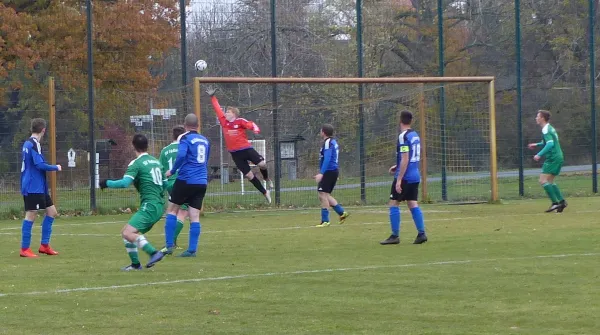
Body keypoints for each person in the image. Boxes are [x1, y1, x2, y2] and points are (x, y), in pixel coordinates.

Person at [99, 134, 165, 270]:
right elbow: (165, 185)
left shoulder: (136, 163)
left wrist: (106, 182)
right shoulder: (156, 162)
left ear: (133, 146)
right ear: (147, 145)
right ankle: (135, 265)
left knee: (127, 233)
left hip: (150, 205)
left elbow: (124, 183)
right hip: (159, 205)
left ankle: (153, 252)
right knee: (127, 232)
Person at [206, 87, 272, 203]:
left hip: (246, 149)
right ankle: (265, 192)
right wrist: (212, 97)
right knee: (249, 176)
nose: (225, 113)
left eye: (228, 112)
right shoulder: (224, 122)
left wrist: (255, 129)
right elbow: (217, 109)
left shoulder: (240, 121)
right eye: (225, 112)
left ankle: (266, 178)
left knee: (262, 164)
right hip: (235, 154)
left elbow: (250, 124)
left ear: (234, 114)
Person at [162, 113, 210, 257]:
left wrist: (173, 170)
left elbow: (182, 155)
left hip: (186, 179)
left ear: (185, 125)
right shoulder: (205, 140)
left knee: (171, 210)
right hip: (201, 181)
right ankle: (192, 250)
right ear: (198, 125)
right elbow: (205, 159)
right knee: (194, 216)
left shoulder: (185, 137)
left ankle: (169, 245)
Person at [380, 110, 428, 245]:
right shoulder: (415, 135)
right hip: (415, 175)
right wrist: (398, 164)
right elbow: (411, 156)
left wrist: (399, 179)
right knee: (412, 203)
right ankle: (421, 233)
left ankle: (395, 236)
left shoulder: (403, 136)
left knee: (393, 203)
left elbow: (406, 158)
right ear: (411, 121)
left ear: (400, 121)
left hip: (406, 176)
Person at [19, 118, 62, 258]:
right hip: (33, 186)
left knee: (52, 212)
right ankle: (24, 249)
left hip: (38, 186)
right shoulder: (33, 144)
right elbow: (39, 165)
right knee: (31, 214)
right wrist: (55, 167)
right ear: (43, 130)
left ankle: (44, 245)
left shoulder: (28, 143)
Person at [527, 110, 567, 213]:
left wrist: (538, 154)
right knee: (550, 181)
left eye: (537, 116)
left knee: (542, 180)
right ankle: (562, 202)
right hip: (558, 156)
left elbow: (550, 144)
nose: (536, 118)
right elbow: (547, 142)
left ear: (542, 118)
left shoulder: (545, 129)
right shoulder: (549, 128)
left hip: (553, 157)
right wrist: (536, 144)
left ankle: (555, 203)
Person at [159, 125, 188, 251]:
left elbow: (161, 170)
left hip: (170, 183)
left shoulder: (165, 150)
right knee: (183, 212)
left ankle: (172, 243)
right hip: (183, 181)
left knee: (172, 211)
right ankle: (170, 243)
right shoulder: (186, 147)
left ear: (173, 136)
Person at [314, 124, 349, 227]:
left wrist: (321, 173)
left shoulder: (328, 142)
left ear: (323, 132)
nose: (320, 132)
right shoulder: (332, 142)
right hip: (332, 171)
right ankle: (342, 213)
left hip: (329, 171)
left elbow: (328, 158)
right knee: (325, 195)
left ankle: (325, 221)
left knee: (322, 194)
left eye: (321, 130)